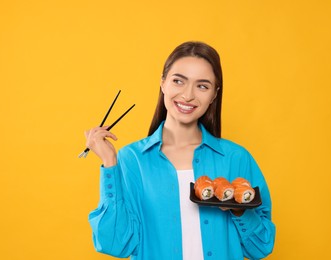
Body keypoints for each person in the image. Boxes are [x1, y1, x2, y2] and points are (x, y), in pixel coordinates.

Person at [85, 41, 276, 259]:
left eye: (202, 86)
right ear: (163, 83)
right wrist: (110, 163)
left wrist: (239, 209)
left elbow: (261, 247)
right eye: (178, 81)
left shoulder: (236, 158)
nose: (187, 96)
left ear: (214, 94)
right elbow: (115, 244)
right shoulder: (131, 160)